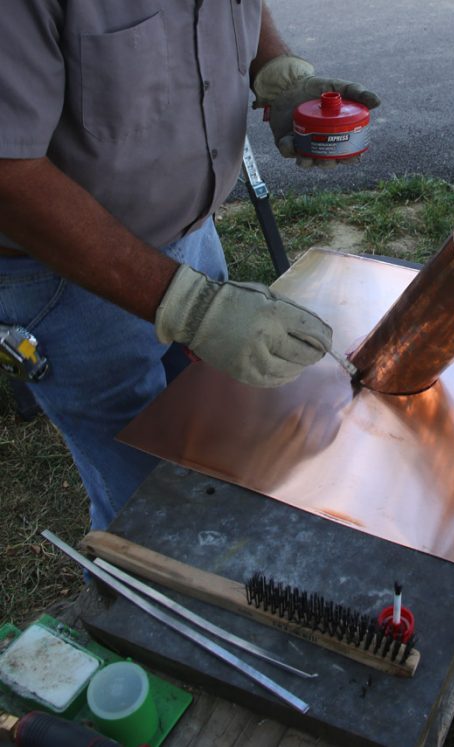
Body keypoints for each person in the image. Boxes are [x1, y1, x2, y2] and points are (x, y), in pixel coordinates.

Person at [0, 1, 380, 530]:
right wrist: (191, 306)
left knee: (217, 442)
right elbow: (9, 177)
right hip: (66, 282)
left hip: (193, 235)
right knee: (149, 506)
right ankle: (130, 600)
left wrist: (274, 68)